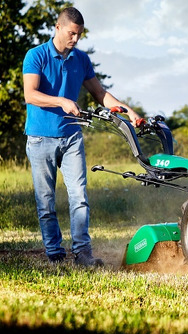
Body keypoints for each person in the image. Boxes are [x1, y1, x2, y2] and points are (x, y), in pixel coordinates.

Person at [22, 7, 141, 266]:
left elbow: (100, 93)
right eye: (71, 33)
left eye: (79, 35)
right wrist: (61, 101)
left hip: (72, 137)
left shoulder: (81, 60)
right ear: (58, 27)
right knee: (46, 202)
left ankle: (82, 254)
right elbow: (30, 95)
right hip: (40, 138)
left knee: (80, 196)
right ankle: (54, 254)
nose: (75, 40)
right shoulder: (36, 56)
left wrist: (128, 110)